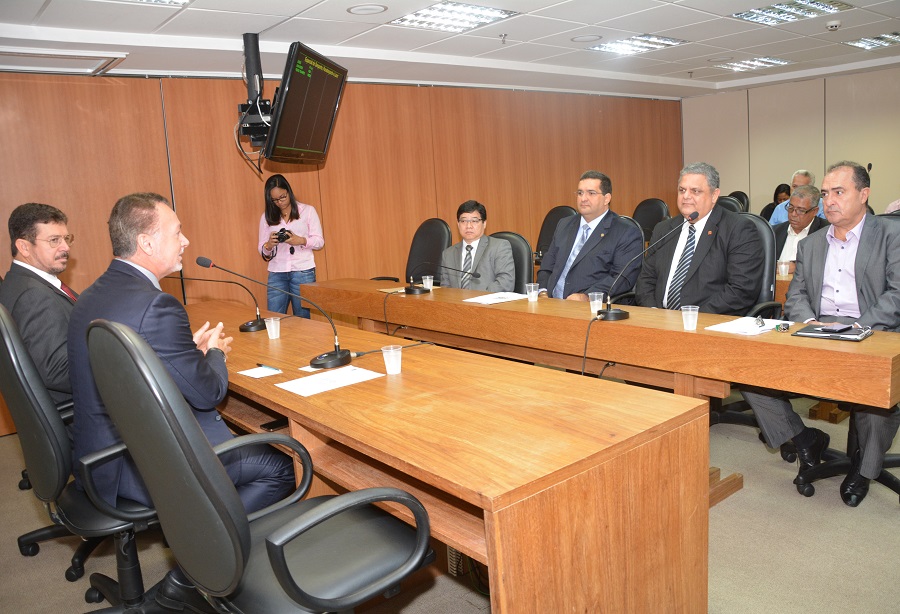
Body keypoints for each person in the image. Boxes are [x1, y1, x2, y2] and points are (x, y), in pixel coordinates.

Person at [69, 192, 295, 515]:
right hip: (143, 464)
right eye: (177, 232)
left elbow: (126, 363)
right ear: (147, 244)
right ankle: (210, 540)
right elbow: (208, 393)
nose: (186, 241)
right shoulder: (156, 306)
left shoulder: (91, 295)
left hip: (101, 460)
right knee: (286, 466)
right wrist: (215, 353)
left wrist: (183, 350)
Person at [742, 161, 900, 507]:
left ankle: (864, 469)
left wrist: (857, 328)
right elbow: (796, 295)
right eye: (826, 194)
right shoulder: (812, 244)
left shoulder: (892, 235)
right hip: (817, 331)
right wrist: (811, 324)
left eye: (839, 192)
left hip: (873, 331)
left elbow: (896, 294)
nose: (830, 200)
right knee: (750, 372)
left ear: (864, 194)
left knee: (877, 397)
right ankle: (803, 438)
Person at [634, 162, 762, 315]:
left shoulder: (738, 229)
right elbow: (645, 280)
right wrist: (654, 313)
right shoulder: (664, 229)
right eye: (682, 190)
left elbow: (741, 289)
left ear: (714, 195)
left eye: (695, 191)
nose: (686, 196)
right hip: (660, 320)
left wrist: (694, 318)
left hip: (709, 321)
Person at [0, 203, 77, 406]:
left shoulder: (17, 283)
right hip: (80, 412)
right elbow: (58, 371)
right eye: (54, 240)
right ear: (24, 247)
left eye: (66, 238)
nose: (66, 247)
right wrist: (115, 369)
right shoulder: (33, 295)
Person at [537, 170, 643, 301]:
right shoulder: (564, 224)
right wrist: (543, 292)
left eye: (591, 193)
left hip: (590, 306)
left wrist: (587, 297)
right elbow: (547, 265)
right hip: (550, 303)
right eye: (580, 193)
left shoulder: (626, 232)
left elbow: (622, 278)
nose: (583, 198)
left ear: (607, 198)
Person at [258, 174, 324, 318]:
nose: (280, 202)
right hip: (277, 272)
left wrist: (301, 240)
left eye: (283, 197)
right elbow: (262, 249)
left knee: (303, 319)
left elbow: (319, 242)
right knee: (274, 318)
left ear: (289, 191)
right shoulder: (266, 217)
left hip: (303, 271)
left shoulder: (307, 211)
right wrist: (269, 245)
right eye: (275, 200)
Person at [440, 200, 514, 291]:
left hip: (487, 300)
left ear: (484, 223)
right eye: (463, 221)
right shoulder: (448, 254)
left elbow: (505, 283)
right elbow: (445, 289)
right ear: (458, 224)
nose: (468, 226)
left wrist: (477, 298)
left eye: (474, 221)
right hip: (456, 300)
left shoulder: (499, 247)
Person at [773, 184, 828, 272]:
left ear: (815, 211)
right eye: (791, 208)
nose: (793, 214)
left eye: (801, 210)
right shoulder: (774, 232)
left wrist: (797, 266)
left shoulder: (826, 232)